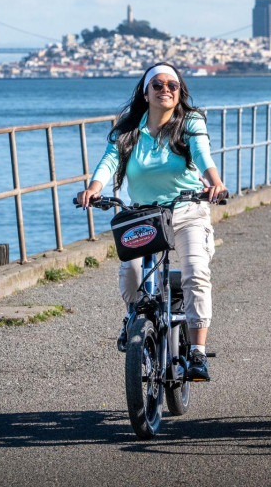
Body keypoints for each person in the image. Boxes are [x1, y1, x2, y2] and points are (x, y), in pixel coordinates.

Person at [77, 63, 227, 381]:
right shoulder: (129, 128)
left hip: (187, 211)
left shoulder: (190, 122)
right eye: (157, 85)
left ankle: (197, 353)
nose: (165, 90)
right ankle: (133, 318)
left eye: (172, 85)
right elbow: (110, 160)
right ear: (146, 93)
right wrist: (93, 188)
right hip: (145, 214)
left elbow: (203, 155)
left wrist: (215, 182)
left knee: (195, 272)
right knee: (130, 271)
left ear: (179, 91)